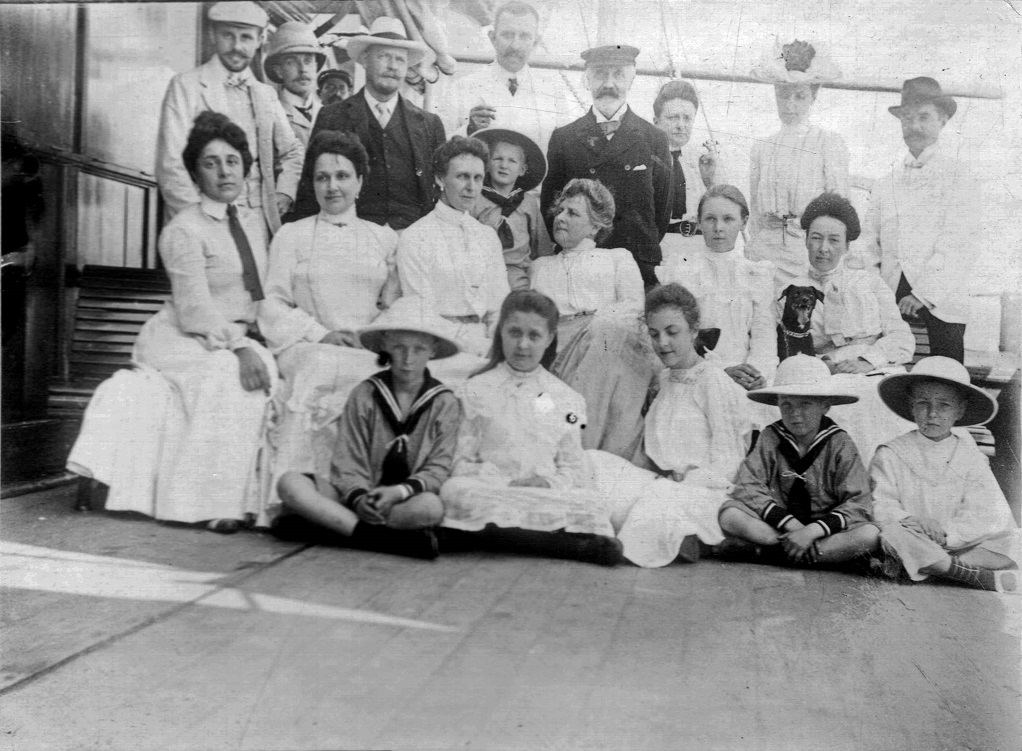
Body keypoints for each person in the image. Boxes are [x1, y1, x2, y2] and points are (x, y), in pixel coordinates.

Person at [68, 112, 276, 531]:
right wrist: (239, 348)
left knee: (258, 374)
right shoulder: (184, 230)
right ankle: (208, 505)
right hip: (182, 337)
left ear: (245, 168)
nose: (224, 172)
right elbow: (194, 309)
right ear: (195, 174)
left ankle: (244, 499)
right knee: (227, 375)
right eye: (211, 163)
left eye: (232, 161)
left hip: (231, 335)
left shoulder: (254, 223)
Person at [258, 130, 401, 517]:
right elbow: (271, 304)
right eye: (322, 177)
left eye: (342, 176)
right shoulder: (291, 235)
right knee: (322, 366)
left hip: (365, 349)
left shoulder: (383, 239)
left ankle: (362, 495)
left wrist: (374, 338)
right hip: (306, 346)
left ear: (360, 182)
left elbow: (394, 305)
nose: (332, 186)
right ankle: (292, 496)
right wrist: (322, 334)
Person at [440, 290, 623, 566]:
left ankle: (485, 537)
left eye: (534, 336)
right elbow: (459, 462)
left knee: (592, 503)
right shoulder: (475, 389)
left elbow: (573, 467)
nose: (523, 345)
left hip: (542, 493)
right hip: (492, 489)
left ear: (549, 338)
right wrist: (502, 481)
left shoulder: (566, 398)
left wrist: (547, 483)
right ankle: (558, 545)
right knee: (456, 491)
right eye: (514, 333)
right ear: (501, 331)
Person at [274, 300, 464, 560]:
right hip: (357, 495)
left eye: (418, 349)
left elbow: (438, 468)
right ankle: (383, 540)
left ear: (433, 350)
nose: (408, 359)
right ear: (385, 345)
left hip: (404, 500)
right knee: (290, 483)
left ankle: (334, 528)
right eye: (399, 347)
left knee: (431, 508)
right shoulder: (365, 394)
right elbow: (346, 462)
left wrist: (396, 492)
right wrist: (361, 498)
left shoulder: (444, 401)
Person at [614, 283, 753, 567]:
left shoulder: (712, 380)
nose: (662, 343)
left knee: (647, 509)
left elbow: (730, 458)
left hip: (705, 490)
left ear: (694, 330)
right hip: (666, 485)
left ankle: (692, 534)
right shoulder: (665, 379)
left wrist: (692, 480)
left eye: (672, 332)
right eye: (655, 334)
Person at [530, 178, 657, 461]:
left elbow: (634, 309)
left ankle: (588, 452)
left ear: (595, 226)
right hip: (557, 352)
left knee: (610, 334)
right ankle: (583, 452)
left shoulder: (617, 258)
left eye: (573, 213)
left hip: (606, 349)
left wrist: (593, 327)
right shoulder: (540, 267)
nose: (560, 218)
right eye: (560, 211)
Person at [870, 357, 1020, 592]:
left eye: (944, 405)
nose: (932, 414)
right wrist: (916, 522)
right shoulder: (890, 453)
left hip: (960, 544)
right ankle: (964, 573)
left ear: (960, 410)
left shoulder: (971, 457)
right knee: (893, 537)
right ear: (911, 407)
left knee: (1012, 544)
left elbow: (984, 512)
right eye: (923, 403)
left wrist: (946, 535)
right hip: (914, 537)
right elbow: (882, 505)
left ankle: (934, 566)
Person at [788, 191, 916, 463]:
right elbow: (790, 346)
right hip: (821, 372)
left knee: (870, 396)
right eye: (816, 238)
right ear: (806, 239)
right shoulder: (792, 289)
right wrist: (824, 365)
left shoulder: (871, 283)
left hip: (874, 369)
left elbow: (901, 337)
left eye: (834, 240)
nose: (824, 248)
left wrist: (867, 361)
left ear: (847, 245)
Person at [155, 1, 304, 235]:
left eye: (246, 37)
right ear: (213, 35)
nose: (237, 46)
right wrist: (198, 222)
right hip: (201, 218)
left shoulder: (265, 94)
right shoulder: (186, 86)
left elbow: (293, 151)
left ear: (260, 39)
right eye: (228, 35)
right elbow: (170, 165)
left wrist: (285, 191)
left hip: (257, 221)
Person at [718, 355, 880, 566]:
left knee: (869, 535)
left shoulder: (840, 443)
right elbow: (747, 485)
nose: (795, 414)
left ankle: (769, 553)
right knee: (730, 514)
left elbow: (859, 501)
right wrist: (792, 526)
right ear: (777, 404)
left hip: (823, 530)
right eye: (787, 404)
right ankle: (812, 555)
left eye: (805, 404)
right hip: (780, 526)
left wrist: (812, 531)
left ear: (825, 406)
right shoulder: (771, 437)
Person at [859, 77, 978, 363]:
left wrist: (922, 295)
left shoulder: (959, 177)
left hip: (940, 296)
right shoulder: (886, 183)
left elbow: (958, 245)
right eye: (907, 118)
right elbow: (869, 243)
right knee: (873, 360)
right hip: (890, 291)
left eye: (924, 117)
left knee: (945, 373)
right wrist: (873, 290)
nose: (914, 126)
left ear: (943, 120)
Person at [289, 17, 446, 230]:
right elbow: (310, 185)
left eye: (400, 60)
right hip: (350, 235)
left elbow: (440, 190)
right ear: (364, 59)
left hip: (412, 236)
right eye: (384, 56)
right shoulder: (332, 116)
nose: (392, 66)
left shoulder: (429, 123)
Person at [541, 43, 672, 289]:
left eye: (618, 74)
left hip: (637, 267)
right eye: (601, 74)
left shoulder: (654, 139)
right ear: (587, 80)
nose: (609, 84)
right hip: (580, 265)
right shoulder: (564, 138)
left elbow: (661, 213)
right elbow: (551, 207)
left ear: (631, 80)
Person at [657, 184, 778, 393]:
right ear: (699, 222)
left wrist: (757, 376)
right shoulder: (681, 271)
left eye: (728, 219)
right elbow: (674, 339)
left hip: (745, 381)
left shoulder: (757, 274)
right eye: (710, 219)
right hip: (694, 378)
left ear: (744, 222)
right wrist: (721, 372)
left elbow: (764, 339)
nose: (718, 228)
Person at [748, 38, 848, 288]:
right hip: (764, 251)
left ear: (813, 96)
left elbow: (839, 209)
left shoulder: (828, 143)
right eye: (783, 95)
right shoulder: (762, 147)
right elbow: (755, 210)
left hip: (805, 252)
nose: (789, 104)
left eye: (800, 96)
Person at [398, 136, 510, 359]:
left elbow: (499, 303)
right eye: (462, 176)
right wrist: (476, 347)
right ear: (440, 178)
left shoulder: (487, 236)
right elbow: (421, 312)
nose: (471, 187)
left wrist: (495, 347)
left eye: (478, 178)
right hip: (440, 349)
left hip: (488, 349)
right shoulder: (416, 236)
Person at [436, 0, 577, 153]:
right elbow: (439, 148)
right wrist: (468, 130)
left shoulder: (553, 92)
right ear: (492, 38)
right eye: (507, 35)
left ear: (535, 42)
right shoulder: (461, 88)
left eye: (524, 36)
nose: (515, 45)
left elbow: (566, 150)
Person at [652, 80, 729, 260]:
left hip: (697, 247)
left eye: (687, 118)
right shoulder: (644, 160)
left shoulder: (703, 161)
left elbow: (723, 213)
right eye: (673, 118)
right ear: (656, 122)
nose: (681, 125)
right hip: (660, 245)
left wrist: (711, 181)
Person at [471, 127, 550, 290]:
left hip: (517, 274)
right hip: (482, 273)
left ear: (522, 169)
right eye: (497, 158)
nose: (504, 165)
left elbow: (542, 244)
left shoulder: (528, 202)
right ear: (487, 164)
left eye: (512, 161)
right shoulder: (476, 199)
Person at [263, 22, 326, 147]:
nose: (302, 69)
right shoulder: (269, 115)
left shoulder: (330, 113)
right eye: (291, 62)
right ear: (279, 71)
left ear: (316, 66)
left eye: (308, 61)